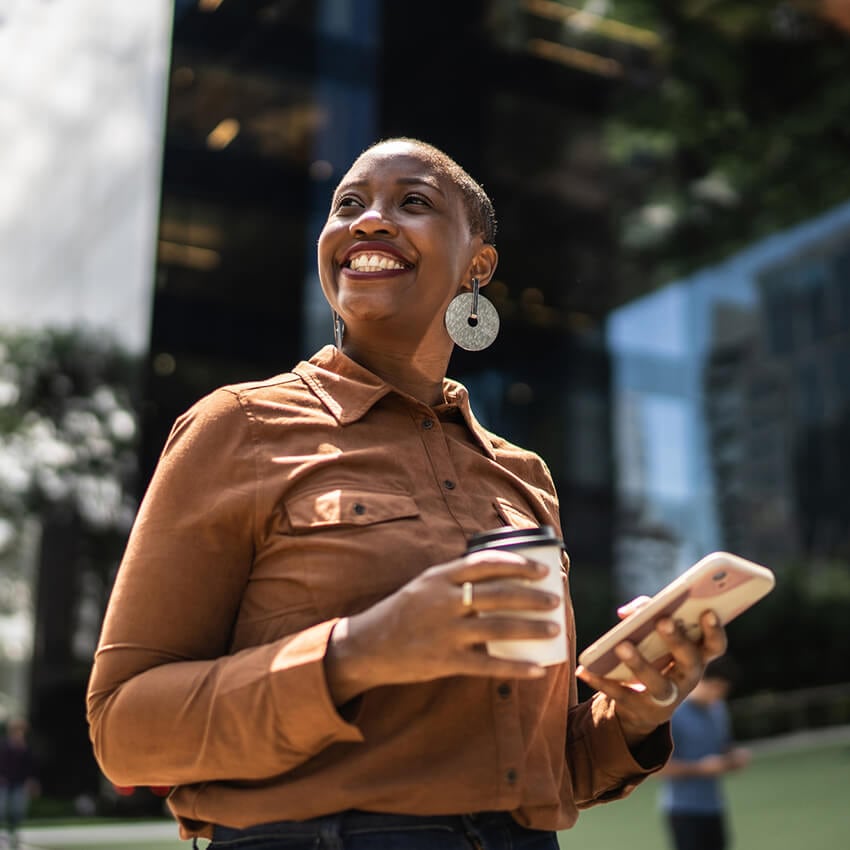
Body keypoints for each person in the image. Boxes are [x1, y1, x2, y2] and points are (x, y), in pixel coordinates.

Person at [86, 137, 727, 849]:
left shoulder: (524, 477)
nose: (368, 221)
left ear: (477, 265)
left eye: (412, 202)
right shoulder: (237, 428)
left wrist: (632, 715)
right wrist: (359, 651)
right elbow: (124, 731)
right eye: (348, 206)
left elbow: (540, 770)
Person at [657, 656, 751, 850]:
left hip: (714, 806)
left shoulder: (718, 709)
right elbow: (658, 769)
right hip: (683, 811)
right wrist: (700, 769)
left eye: (723, 690)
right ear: (700, 680)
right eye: (715, 687)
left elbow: (723, 746)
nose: (718, 695)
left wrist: (733, 757)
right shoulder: (673, 714)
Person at [0, 717, 39, 849]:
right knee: (2, 809)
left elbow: (30, 767)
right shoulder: (4, 746)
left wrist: (31, 781)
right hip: (4, 783)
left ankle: (13, 834)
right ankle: (3, 835)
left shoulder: (26, 748)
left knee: (17, 811)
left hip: (19, 783)